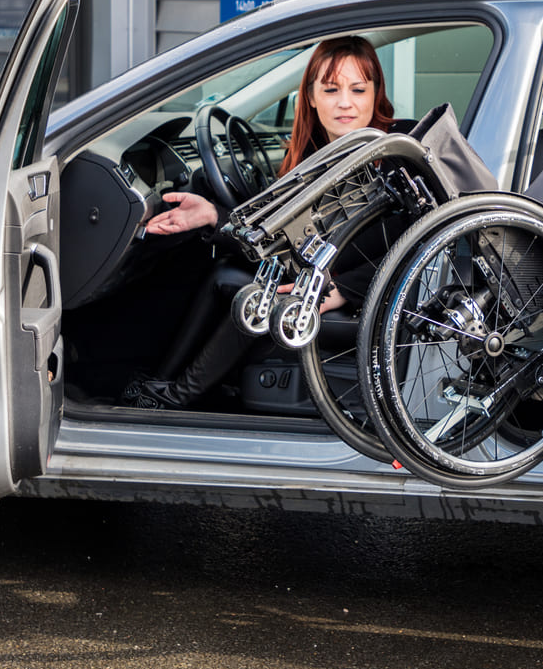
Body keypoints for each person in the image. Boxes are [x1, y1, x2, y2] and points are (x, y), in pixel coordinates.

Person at [125, 35, 400, 410]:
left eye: (358, 89)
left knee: (242, 289)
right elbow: (276, 236)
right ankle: (164, 383)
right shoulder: (319, 156)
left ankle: (174, 397)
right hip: (320, 274)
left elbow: (417, 234)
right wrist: (212, 215)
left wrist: (346, 290)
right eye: (331, 89)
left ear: (375, 94)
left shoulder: (397, 150)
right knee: (225, 274)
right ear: (312, 96)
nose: (346, 103)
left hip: (375, 294)